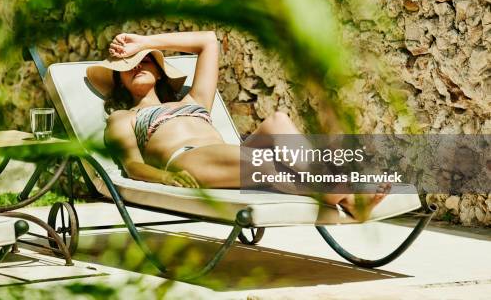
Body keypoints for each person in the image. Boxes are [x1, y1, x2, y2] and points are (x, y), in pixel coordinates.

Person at [87, 31, 388, 221]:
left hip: (226, 154)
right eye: (126, 68)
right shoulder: (124, 118)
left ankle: (339, 192)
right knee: (268, 165)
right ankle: (343, 193)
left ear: (160, 70)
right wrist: (166, 178)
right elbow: (132, 167)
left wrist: (145, 42)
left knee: (278, 121)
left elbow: (208, 41)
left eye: (145, 61)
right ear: (119, 82)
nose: (137, 67)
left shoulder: (195, 98)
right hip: (188, 160)